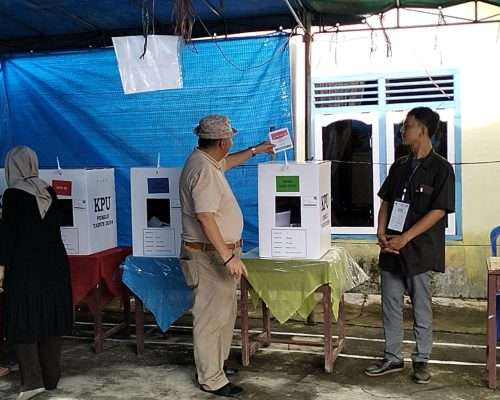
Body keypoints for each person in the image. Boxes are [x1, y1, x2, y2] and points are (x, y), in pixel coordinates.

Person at [180, 115, 274, 397]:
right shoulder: (204, 171)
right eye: (230, 139)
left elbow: (228, 162)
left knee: (223, 315)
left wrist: (257, 150)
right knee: (210, 318)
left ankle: (215, 366)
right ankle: (211, 378)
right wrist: (228, 257)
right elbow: (205, 217)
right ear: (222, 141)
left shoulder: (205, 160)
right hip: (209, 257)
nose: (231, 143)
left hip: (215, 255)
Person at [364, 107, 455, 384]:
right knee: (390, 304)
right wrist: (381, 231)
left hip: (419, 249)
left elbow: (439, 211)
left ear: (423, 131)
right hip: (392, 246)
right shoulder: (400, 165)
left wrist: (407, 237)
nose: (404, 130)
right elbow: (387, 200)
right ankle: (392, 356)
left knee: (421, 306)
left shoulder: (441, 169)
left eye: (408, 126)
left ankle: (421, 359)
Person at [0, 146, 73, 400]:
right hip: (55, 266)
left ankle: (32, 382)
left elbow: (8, 238)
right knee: (50, 320)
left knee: (23, 322)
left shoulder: (12, 195)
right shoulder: (48, 189)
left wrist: (2, 265)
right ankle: (51, 378)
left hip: (25, 269)